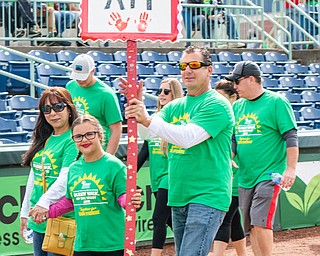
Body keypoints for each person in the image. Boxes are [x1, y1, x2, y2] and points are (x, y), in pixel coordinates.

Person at [122, 45, 235, 256]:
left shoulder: (217, 104)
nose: (187, 70)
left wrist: (145, 118)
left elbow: (187, 138)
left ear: (209, 70)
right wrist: (137, 108)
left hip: (207, 195)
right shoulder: (175, 106)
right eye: (183, 65)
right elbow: (149, 135)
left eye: (194, 65)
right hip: (179, 194)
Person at [30, 114, 142, 256]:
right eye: (78, 136)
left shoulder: (114, 166)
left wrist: (130, 200)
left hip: (113, 245)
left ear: (100, 135)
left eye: (89, 134)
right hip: (83, 245)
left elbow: (121, 197)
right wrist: (48, 212)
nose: (84, 140)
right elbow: (70, 202)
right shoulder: (74, 168)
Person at [224, 60, 299, 256]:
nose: (235, 86)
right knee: (253, 226)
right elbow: (234, 138)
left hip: (269, 174)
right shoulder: (238, 106)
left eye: (237, 81)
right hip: (245, 175)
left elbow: (290, 135)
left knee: (261, 222)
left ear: (250, 79)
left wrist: (290, 169)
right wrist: (230, 156)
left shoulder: (276, 102)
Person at [19, 87, 78, 256]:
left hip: (62, 218)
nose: (53, 113)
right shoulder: (45, 137)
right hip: (39, 217)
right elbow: (34, 176)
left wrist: (43, 203)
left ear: (69, 109)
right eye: (46, 109)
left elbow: (66, 178)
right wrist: (26, 212)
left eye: (58, 107)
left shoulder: (73, 139)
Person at [137, 78, 184, 256]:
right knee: (173, 221)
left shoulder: (178, 120)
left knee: (158, 218)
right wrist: (129, 172)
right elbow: (145, 150)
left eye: (166, 91)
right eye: (160, 91)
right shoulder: (154, 120)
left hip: (170, 177)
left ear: (175, 94)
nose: (161, 95)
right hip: (156, 179)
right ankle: (190, 249)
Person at [212, 79, 247, 256]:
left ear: (233, 97)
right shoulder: (219, 115)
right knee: (233, 219)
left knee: (225, 219)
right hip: (227, 172)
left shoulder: (238, 114)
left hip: (235, 173)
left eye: (223, 98)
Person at [66, 54, 123, 155]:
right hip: (75, 147)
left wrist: (108, 157)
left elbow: (116, 129)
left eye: (83, 76)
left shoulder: (106, 94)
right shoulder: (70, 86)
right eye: (77, 76)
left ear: (93, 71)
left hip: (98, 149)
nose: (80, 80)